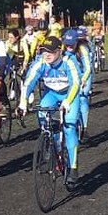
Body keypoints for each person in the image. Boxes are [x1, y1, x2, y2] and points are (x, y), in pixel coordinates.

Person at [18, 36, 82, 188]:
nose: (47, 55)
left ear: (59, 51)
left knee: (69, 126)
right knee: (43, 113)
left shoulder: (69, 61)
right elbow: (29, 82)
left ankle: (73, 167)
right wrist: (23, 102)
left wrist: (68, 101)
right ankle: (50, 143)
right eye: (44, 51)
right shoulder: (40, 62)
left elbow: (76, 83)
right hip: (51, 94)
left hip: (70, 94)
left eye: (51, 52)